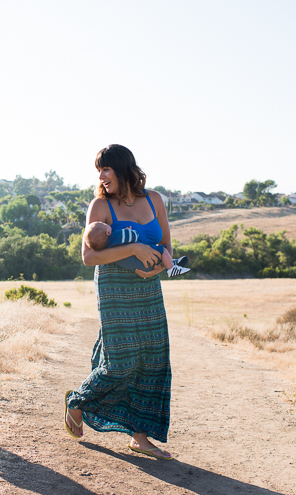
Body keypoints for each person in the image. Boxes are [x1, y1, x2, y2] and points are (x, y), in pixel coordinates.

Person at [64, 144, 174, 460]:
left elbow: (166, 244)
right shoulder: (100, 206)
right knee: (121, 360)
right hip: (113, 285)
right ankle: (78, 400)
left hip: (148, 284)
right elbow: (88, 256)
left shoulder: (153, 200)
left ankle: (140, 436)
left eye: (106, 169)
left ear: (123, 168)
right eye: (99, 170)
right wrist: (135, 248)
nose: (101, 176)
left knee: (153, 357)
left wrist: (153, 265)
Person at [84, 221, 191, 277]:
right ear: (108, 233)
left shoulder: (109, 246)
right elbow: (132, 236)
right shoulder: (115, 236)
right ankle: (171, 269)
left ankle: (172, 263)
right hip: (144, 261)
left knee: (160, 254)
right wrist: (129, 231)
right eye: (104, 224)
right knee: (162, 249)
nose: (106, 224)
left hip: (137, 265)